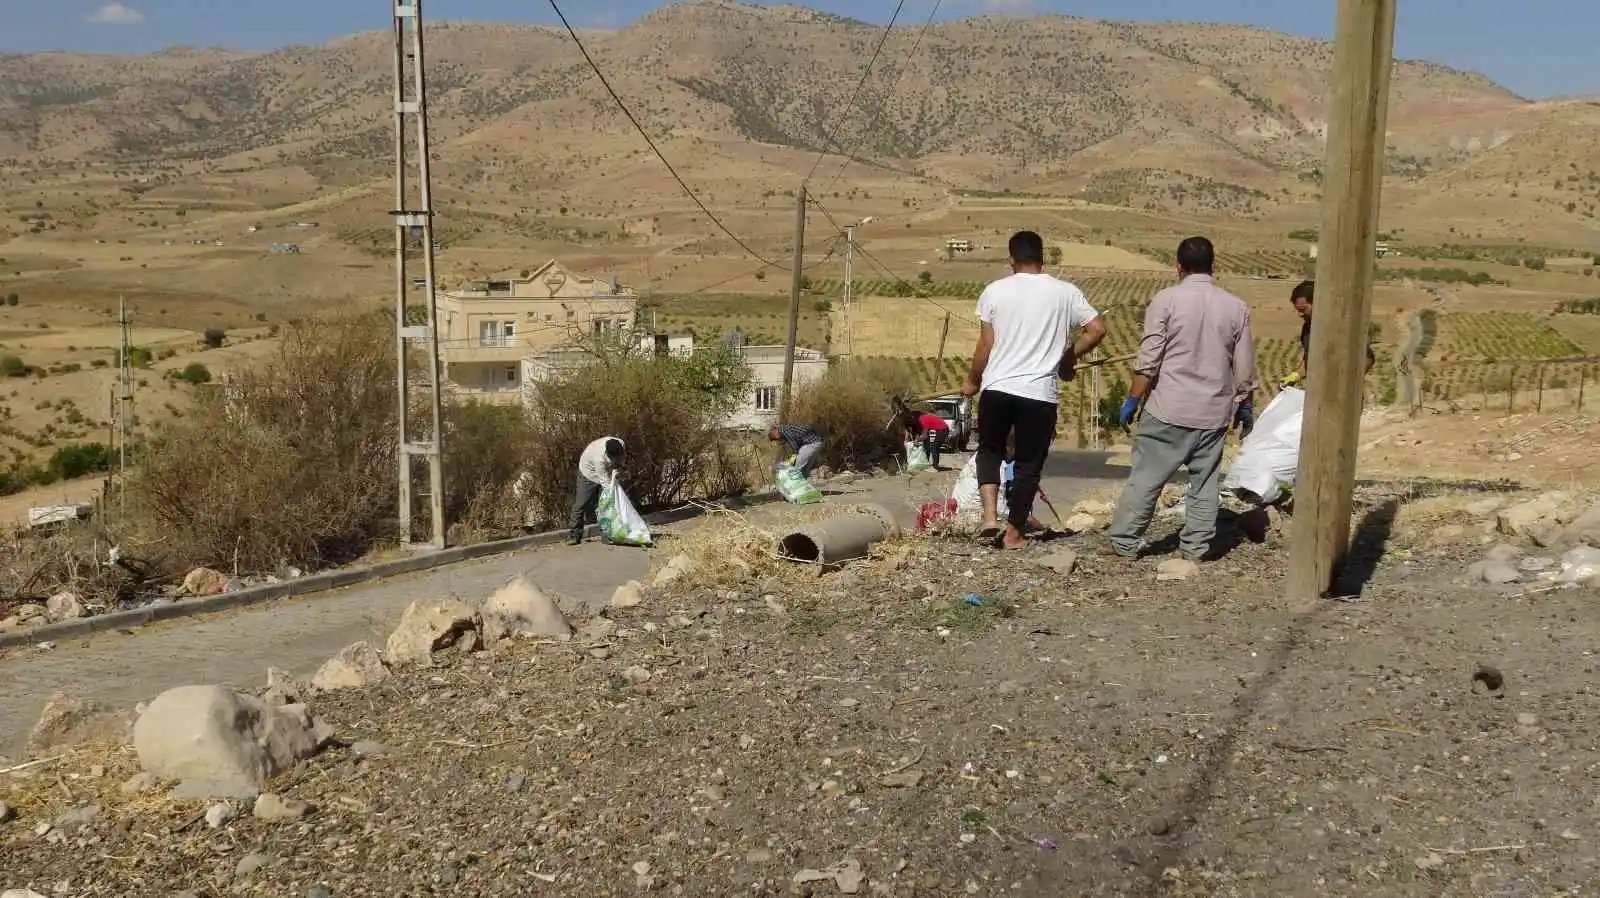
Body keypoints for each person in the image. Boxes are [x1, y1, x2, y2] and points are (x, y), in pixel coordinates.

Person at [1106, 237, 1255, 561]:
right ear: (1213, 266)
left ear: (1178, 267)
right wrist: (1244, 403)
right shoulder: (1236, 307)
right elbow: (1243, 367)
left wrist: (1133, 398)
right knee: (1204, 485)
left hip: (1168, 409)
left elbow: (1149, 360)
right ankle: (1195, 548)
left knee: (1147, 478)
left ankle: (1126, 542)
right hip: (1214, 412)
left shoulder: (1165, 301)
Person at [961, 229, 1106, 549]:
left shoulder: (995, 291)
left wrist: (972, 379)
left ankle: (989, 519)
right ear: (1043, 258)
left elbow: (986, 344)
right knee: (1028, 463)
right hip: (1039, 393)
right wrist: (1068, 358)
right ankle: (1013, 533)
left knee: (990, 451)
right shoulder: (1066, 292)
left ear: (1011, 259)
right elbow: (1097, 329)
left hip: (997, 387)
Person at [1291, 279, 1375, 382]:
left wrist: (1346, 384)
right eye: (1298, 310)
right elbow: (1310, 362)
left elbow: (1367, 358)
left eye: (1303, 310)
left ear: (1317, 303)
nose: (1300, 314)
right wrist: (1295, 376)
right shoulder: (1307, 330)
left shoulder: (1345, 326)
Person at [568, 436, 625, 545]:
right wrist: (612, 493)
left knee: (605, 505)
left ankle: (607, 535)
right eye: (614, 458)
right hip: (588, 474)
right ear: (608, 455)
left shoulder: (620, 444)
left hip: (606, 472)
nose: (616, 459)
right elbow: (605, 483)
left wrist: (618, 468)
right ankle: (574, 535)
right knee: (581, 504)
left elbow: (621, 461)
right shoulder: (599, 458)